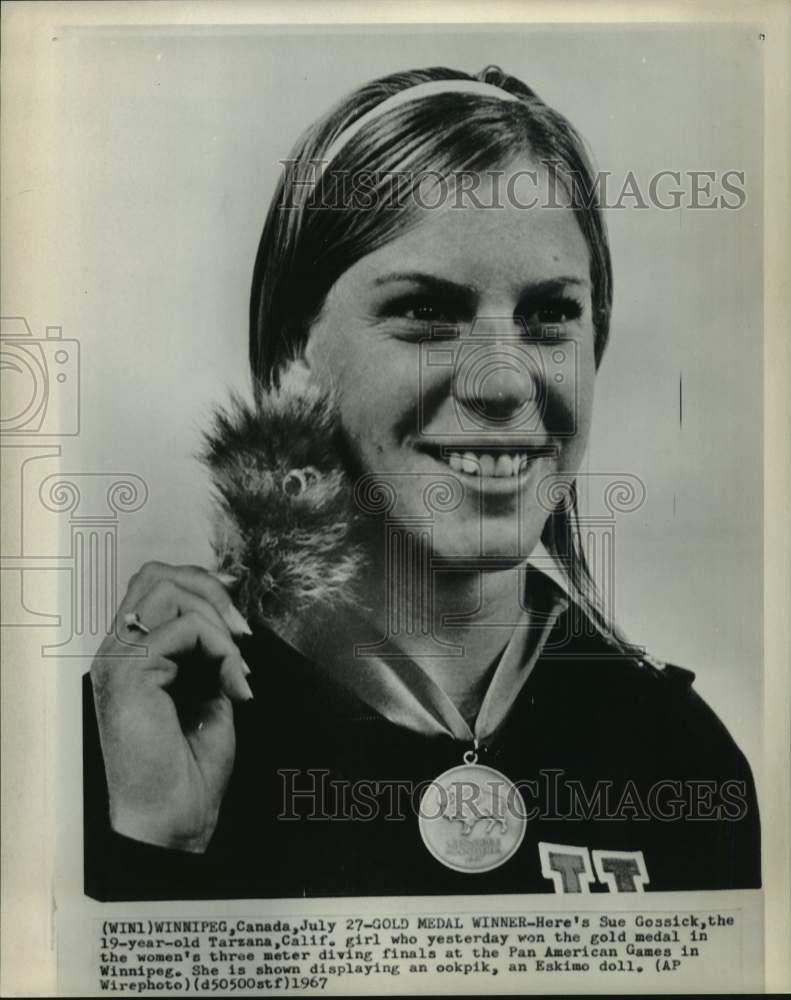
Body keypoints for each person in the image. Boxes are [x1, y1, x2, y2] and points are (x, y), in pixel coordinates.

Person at [84, 65, 760, 900]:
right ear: (295, 352)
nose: (504, 382)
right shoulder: (142, 730)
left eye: (550, 315)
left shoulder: (677, 753)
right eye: (426, 311)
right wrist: (154, 849)